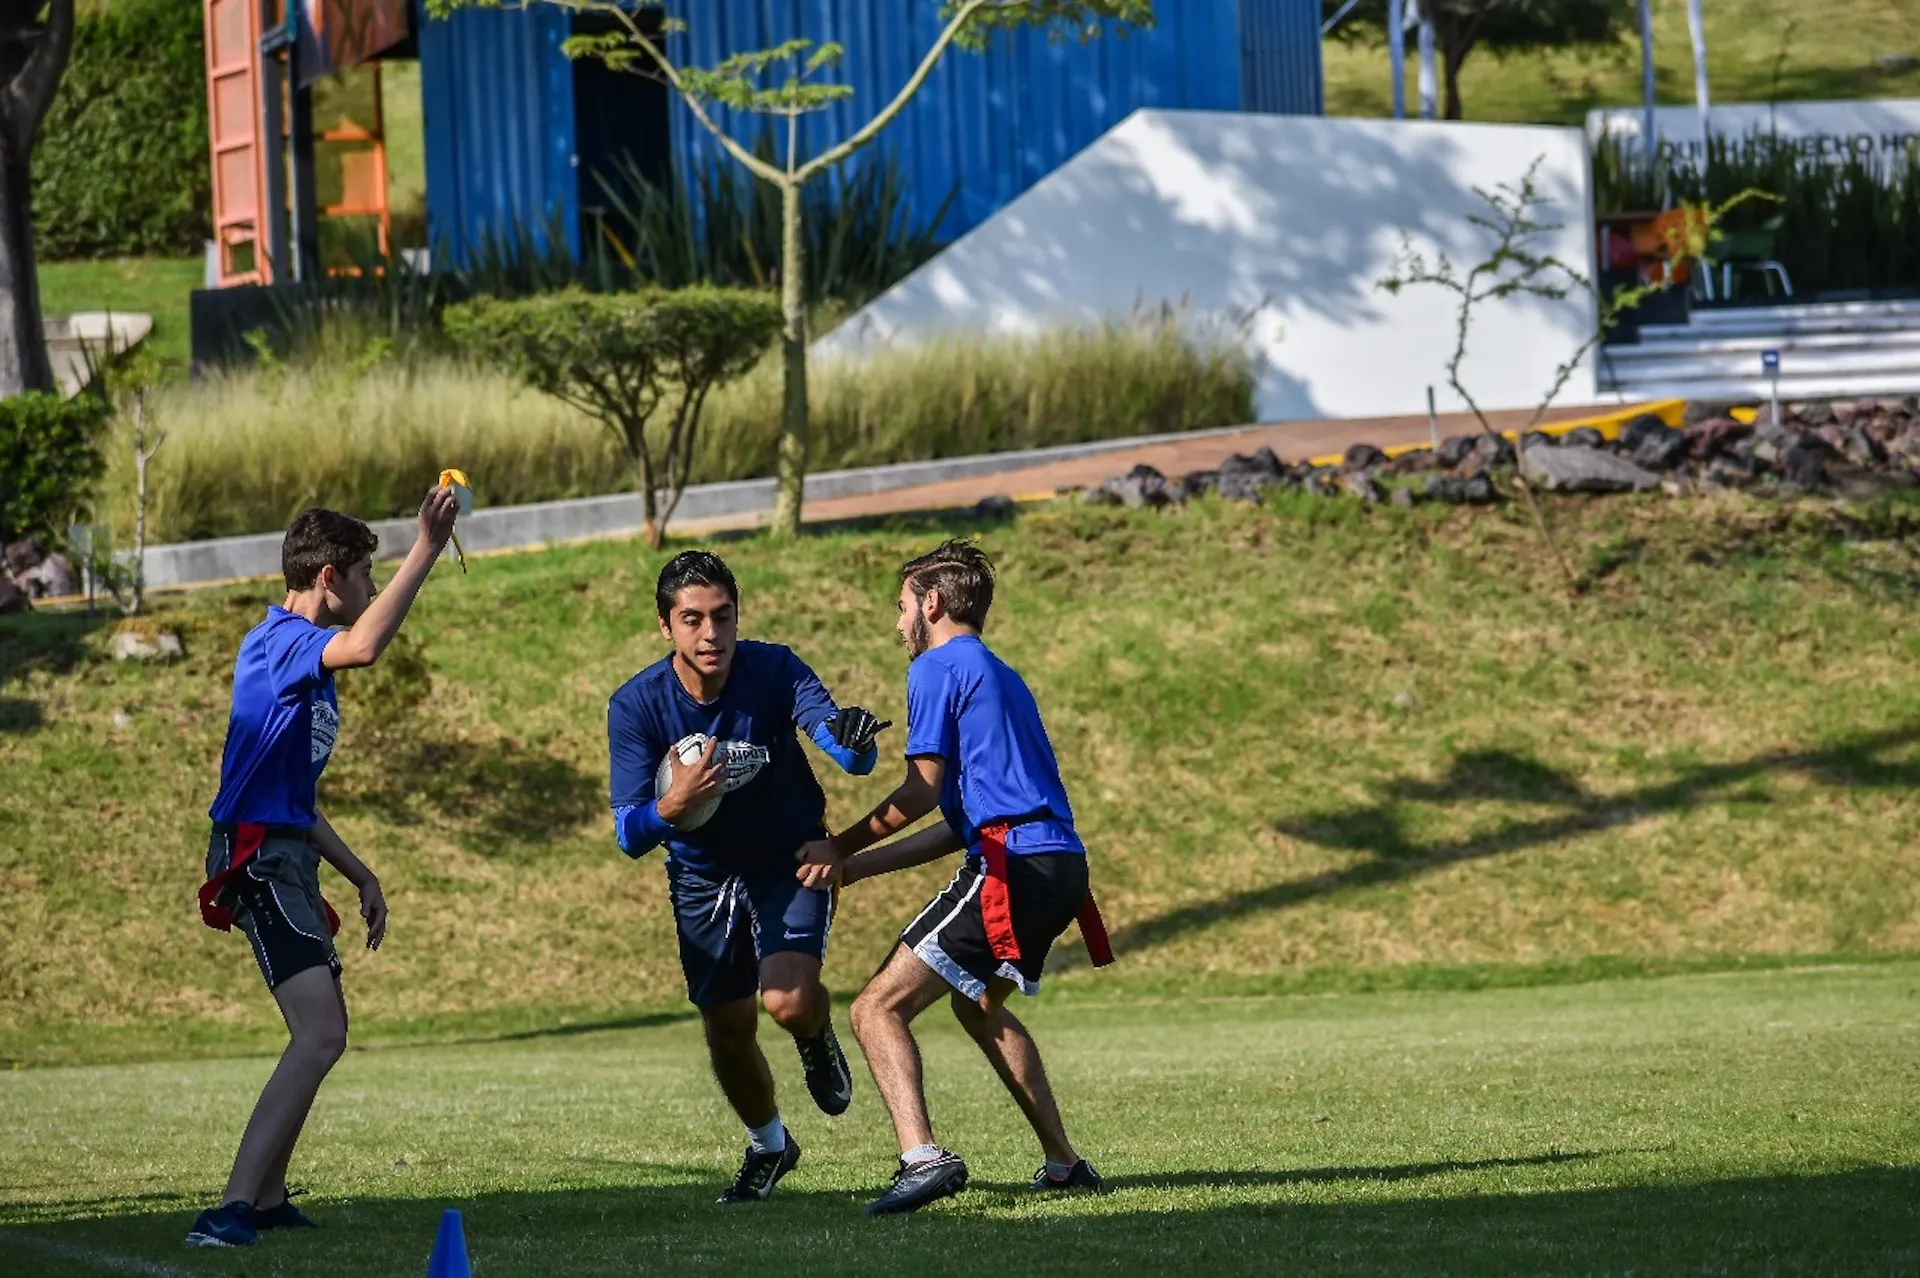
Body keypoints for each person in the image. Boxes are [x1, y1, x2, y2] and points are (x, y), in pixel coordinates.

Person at [797, 538, 1114, 1217]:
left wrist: (836, 841)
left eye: (901, 606)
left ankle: (923, 1157)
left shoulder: (938, 667)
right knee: (979, 1004)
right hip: (1059, 864)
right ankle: (1065, 1165)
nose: (897, 622)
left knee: (875, 1008)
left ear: (931, 604)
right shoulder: (999, 673)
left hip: (1014, 864)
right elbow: (954, 822)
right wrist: (852, 867)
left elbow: (919, 791)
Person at [188, 490, 461, 1248]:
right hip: (257, 860)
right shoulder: (277, 642)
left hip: (289, 855)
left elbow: (296, 801)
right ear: (330, 576)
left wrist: (360, 873)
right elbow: (369, 644)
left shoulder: (303, 665)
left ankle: (268, 1199)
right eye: (366, 576)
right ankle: (230, 1209)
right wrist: (427, 550)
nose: (371, 590)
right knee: (320, 1033)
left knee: (322, 1032)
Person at [606, 550, 893, 1204]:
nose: (711, 634)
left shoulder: (774, 668)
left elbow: (845, 750)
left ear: (737, 616)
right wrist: (671, 807)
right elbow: (628, 834)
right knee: (728, 1032)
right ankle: (770, 1145)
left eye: (722, 616)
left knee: (787, 1002)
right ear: (666, 626)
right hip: (702, 879)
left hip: (790, 859)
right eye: (693, 620)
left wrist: (856, 740)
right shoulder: (637, 706)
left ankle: (816, 1035)